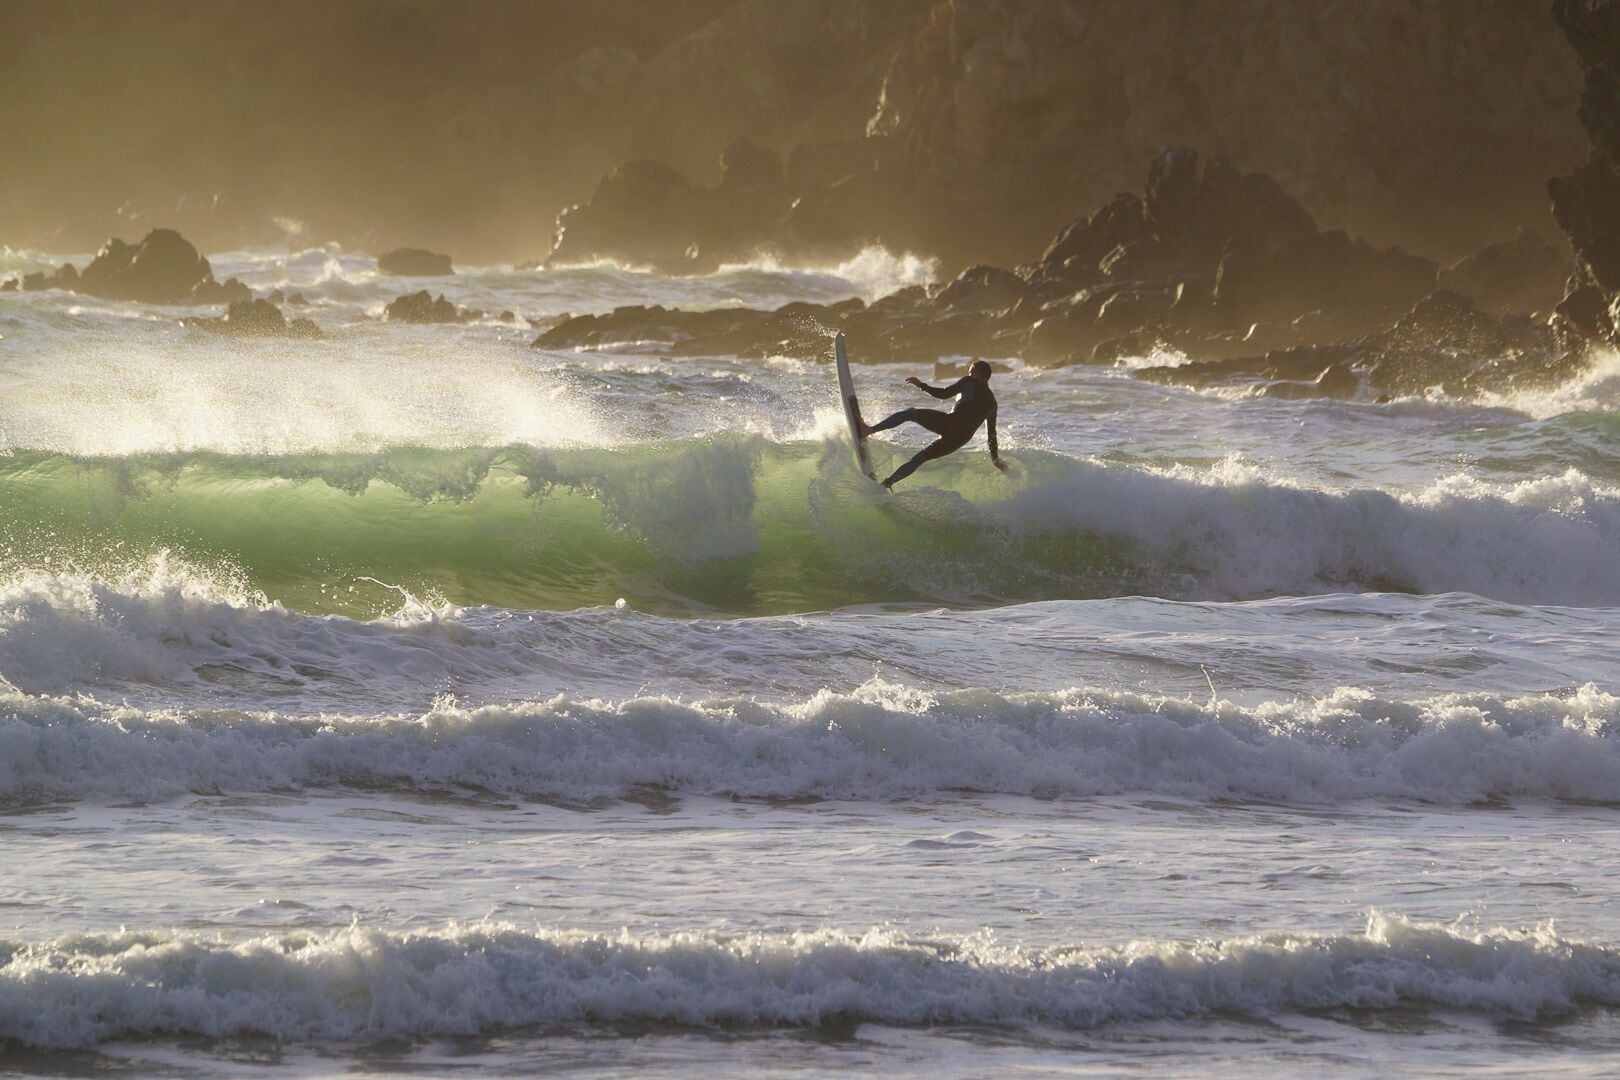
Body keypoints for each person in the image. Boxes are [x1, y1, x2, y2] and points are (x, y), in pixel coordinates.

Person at [861, 358, 1007, 488]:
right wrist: (994, 458)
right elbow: (991, 434)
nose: (969, 374)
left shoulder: (969, 381)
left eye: (971, 372)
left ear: (976, 373)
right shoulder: (993, 404)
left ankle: (870, 430)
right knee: (920, 458)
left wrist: (921, 385)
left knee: (911, 413)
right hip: (959, 440)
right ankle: (887, 483)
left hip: (949, 424)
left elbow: (943, 394)